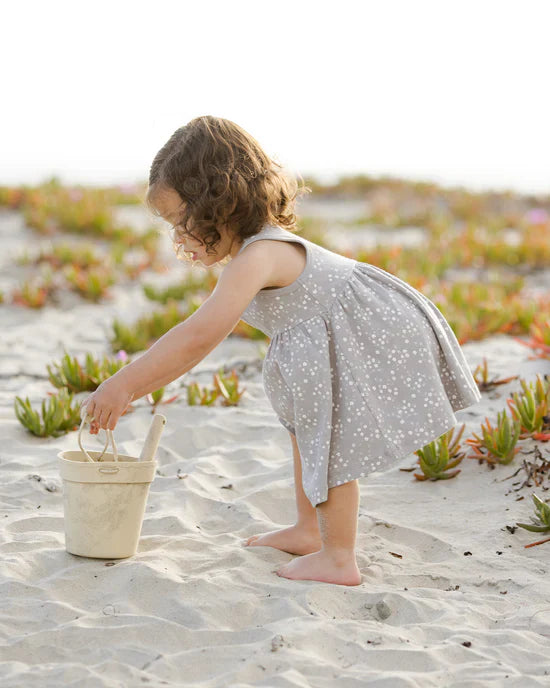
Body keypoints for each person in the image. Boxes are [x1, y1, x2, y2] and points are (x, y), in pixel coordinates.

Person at [81, 115, 482, 587]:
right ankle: (309, 529)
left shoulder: (261, 254)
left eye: (181, 222)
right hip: (326, 337)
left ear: (219, 202)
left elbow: (200, 335)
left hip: (368, 330)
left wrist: (124, 385)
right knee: (307, 432)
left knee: (328, 442)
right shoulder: (252, 252)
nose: (178, 238)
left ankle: (338, 557)